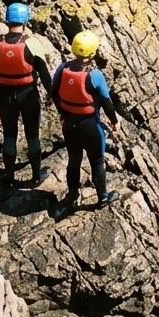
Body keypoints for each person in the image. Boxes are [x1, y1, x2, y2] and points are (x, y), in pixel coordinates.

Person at [51, 30, 121, 213]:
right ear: (92, 52)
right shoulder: (95, 75)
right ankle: (103, 198)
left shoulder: (62, 69)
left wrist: (62, 113)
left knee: (74, 161)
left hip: (70, 125)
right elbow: (106, 101)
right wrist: (114, 121)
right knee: (97, 162)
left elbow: (54, 93)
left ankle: (72, 195)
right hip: (90, 126)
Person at [0, 2, 54, 187]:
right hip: (29, 95)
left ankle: (9, 178)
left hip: (6, 96)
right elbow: (45, 75)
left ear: (7, 20)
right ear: (25, 22)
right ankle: (36, 177)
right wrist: (52, 95)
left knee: (9, 135)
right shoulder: (32, 44)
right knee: (32, 135)